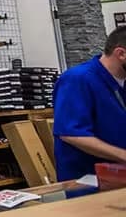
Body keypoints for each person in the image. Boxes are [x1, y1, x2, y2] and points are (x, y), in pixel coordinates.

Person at [53, 27, 126, 182]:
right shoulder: (77, 79)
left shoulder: (122, 82)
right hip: (88, 183)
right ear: (121, 54)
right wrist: (122, 155)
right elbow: (71, 134)